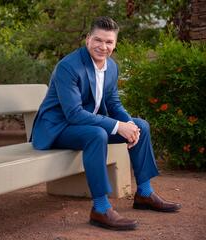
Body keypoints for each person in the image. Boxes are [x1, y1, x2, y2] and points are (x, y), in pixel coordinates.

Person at [31, 16, 181, 231]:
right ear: (87, 39)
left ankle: (145, 193)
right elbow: (73, 114)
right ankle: (100, 208)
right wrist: (117, 126)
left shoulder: (111, 67)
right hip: (57, 128)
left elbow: (113, 103)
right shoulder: (68, 67)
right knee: (97, 134)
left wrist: (129, 126)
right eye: (98, 40)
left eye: (109, 42)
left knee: (141, 126)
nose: (103, 47)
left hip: (87, 125)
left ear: (115, 44)